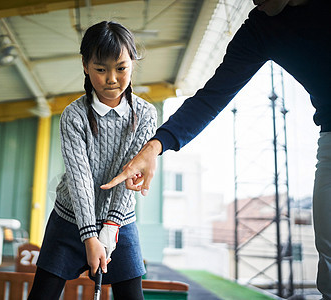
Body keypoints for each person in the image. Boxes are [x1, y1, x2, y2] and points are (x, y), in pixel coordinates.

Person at [101, 0, 331, 298]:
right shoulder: (262, 27)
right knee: (327, 252)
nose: (254, 1)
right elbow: (211, 98)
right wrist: (155, 146)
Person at [27, 21, 157, 300]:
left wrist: (110, 227)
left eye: (121, 68)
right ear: (85, 65)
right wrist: (89, 236)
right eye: (101, 69)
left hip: (120, 219)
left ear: (132, 63)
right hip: (69, 219)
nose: (111, 78)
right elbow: (80, 179)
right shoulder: (73, 116)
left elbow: (128, 175)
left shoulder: (146, 114)